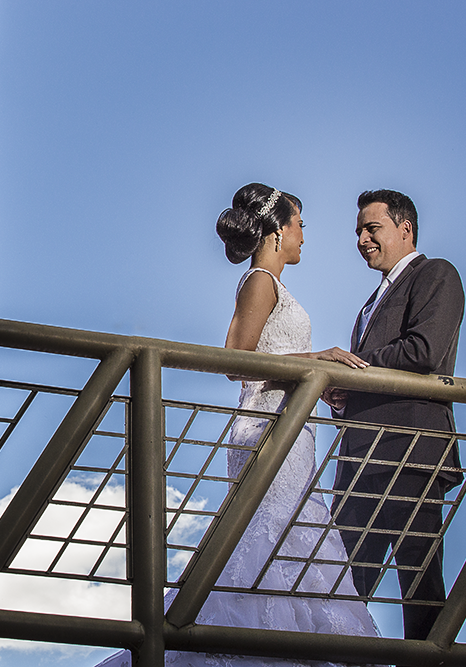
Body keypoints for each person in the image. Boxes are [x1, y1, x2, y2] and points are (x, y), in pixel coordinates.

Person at [97, 183, 378, 667]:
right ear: (276, 231)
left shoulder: (271, 283)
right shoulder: (260, 282)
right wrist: (320, 360)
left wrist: (316, 380)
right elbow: (235, 360)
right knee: (275, 530)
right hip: (269, 429)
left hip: (287, 428)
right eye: (299, 225)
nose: (303, 238)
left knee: (292, 529)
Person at [326, 190, 465, 641]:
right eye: (359, 232)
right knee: (342, 582)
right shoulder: (369, 303)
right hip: (360, 457)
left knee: (419, 582)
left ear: (405, 229)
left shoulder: (437, 274)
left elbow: (424, 350)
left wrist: (353, 368)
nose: (363, 240)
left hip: (411, 452)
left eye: (372, 228)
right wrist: (344, 393)